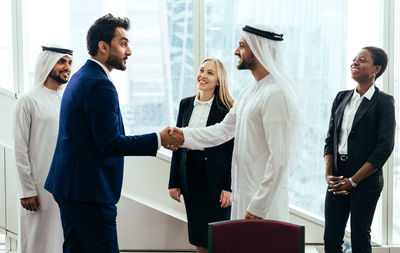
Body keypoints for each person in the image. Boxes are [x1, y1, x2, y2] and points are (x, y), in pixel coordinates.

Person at [44, 14, 182, 253]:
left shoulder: (81, 77)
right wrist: (159, 139)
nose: (129, 51)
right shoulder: (99, 84)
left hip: (69, 187)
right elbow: (109, 143)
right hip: (89, 193)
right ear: (103, 46)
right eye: (124, 43)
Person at [170, 25, 303, 221]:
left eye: (241, 46)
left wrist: (259, 206)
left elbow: (280, 159)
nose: (235, 52)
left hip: (263, 206)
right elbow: (222, 131)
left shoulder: (275, 95)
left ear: (259, 50)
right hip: (244, 197)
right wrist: (183, 135)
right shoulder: (249, 92)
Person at [324, 46, 395, 253]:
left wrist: (354, 180)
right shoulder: (341, 97)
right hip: (337, 178)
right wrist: (329, 174)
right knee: (331, 237)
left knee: (359, 237)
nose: (354, 63)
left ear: (376, 69)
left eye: (362, 60)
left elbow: (384, 148)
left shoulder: (384, 102)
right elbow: (330, 140)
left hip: (366, 181)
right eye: (354, 59)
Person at [168, 58, 234, 253]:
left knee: (218, 237)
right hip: (190, 177)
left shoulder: (227, 109)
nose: (203, 76)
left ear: (219, 80)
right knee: (198, 235)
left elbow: (232, 151)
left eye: (210, 73)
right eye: (202, 70)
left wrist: (228, 186)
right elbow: (178, 145)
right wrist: (173, 181)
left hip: (216, 180)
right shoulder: (186, 104)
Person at [14, 45, 73, 253]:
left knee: (61, 243)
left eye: (69, 63)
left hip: (65, 188)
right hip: (38, 189)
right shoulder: (28, 100)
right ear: (47, 63)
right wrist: (26, 190)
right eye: (62, 61)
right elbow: (20, 148)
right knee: (37, 243)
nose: (67, 67)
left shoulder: (68, 101)